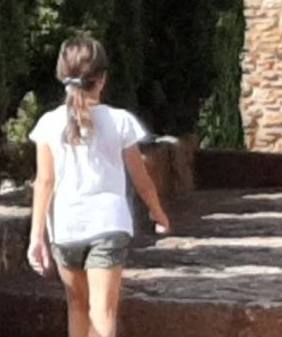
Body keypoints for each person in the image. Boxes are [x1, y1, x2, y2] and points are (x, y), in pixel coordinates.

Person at [29, 36, 175, 337]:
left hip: (66, 228)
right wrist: (157, 212)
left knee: (77, 307)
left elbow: (44, 181)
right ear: (103, 78)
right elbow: (141, 177)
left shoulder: (48, 123)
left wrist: (36, 237)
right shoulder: (120, 121)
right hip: (109, 224)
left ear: (62, 76)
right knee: (103, 311)